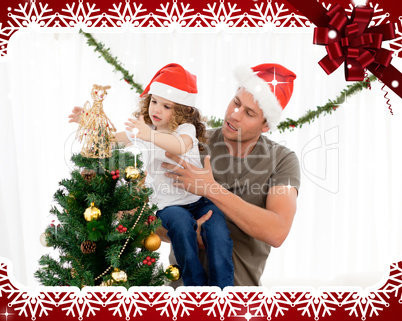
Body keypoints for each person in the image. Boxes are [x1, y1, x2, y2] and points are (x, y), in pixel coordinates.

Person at [69, 63, 234, 288]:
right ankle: (197, 290)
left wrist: (148, 135)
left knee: (218, 233)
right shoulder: (145, 127)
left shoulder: (186, 129)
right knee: (181, 226)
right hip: (169, 205)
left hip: (199, 200)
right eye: (154, 101)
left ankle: (224, 290)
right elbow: (111, 140)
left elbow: (179, 146)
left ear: (182, 111)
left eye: (166, 106)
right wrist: (87, 121)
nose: (156, 110)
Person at [160, 63, 301, 286]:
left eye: (249, 113)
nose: (235, 115)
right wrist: (184, 231)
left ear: (265, 125)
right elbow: (150, 216)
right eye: (236, 102)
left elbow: (277, 231)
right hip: (181, 298)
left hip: (240, 302)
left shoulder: (282, 160)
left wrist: (210, 189)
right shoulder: (191, 142)